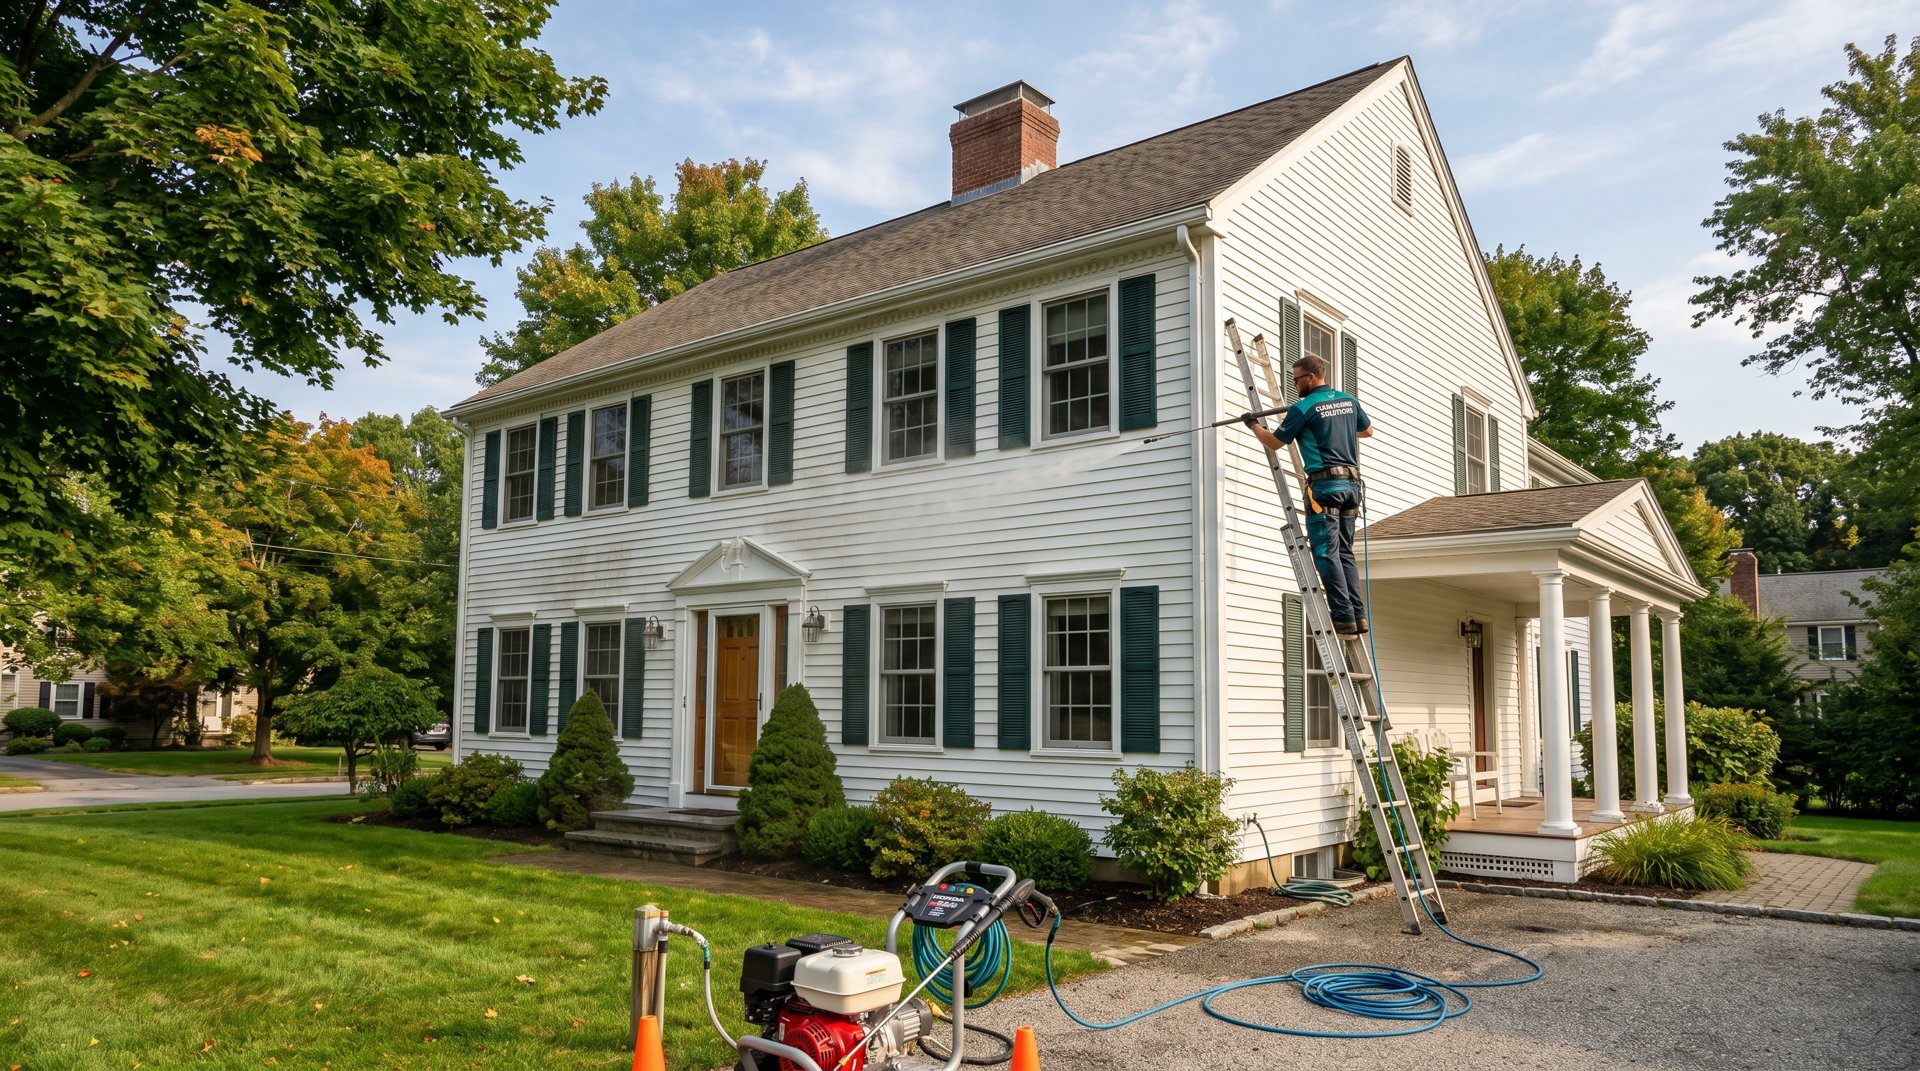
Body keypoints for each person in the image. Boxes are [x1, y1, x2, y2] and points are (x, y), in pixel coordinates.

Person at [1248, 355, 1374, 635]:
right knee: (1344, 552)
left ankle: (1343, 617)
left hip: (1325, 487)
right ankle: (1358, 616)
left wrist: (1254, 425)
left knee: (1326, 552)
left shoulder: (1303, 407)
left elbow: (1274, 442)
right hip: (1352, 487)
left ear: (1311, 378)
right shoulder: (1348, 400)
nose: (1294, 385)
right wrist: (1336, 426)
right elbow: (1367, 431)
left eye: (1296, 379)